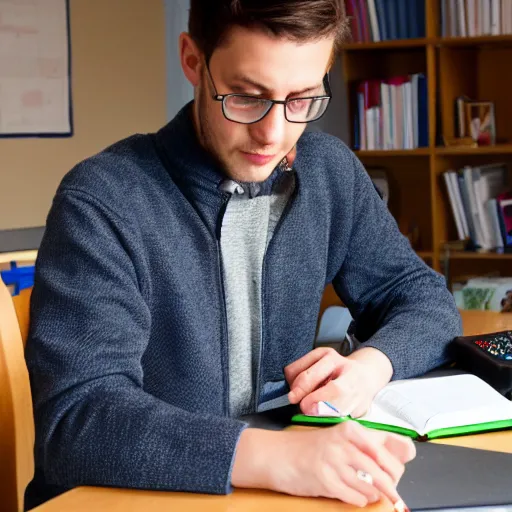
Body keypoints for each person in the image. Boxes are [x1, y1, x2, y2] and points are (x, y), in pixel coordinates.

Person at [25, 0, 462, 509]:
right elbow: (79, 419)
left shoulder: (328, 172)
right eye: (247, 97)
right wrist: (284, 458)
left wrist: (371, 366)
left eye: (301, 99)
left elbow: (423, 298)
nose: (272, 135)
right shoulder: (103, 199)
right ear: (193, 60)